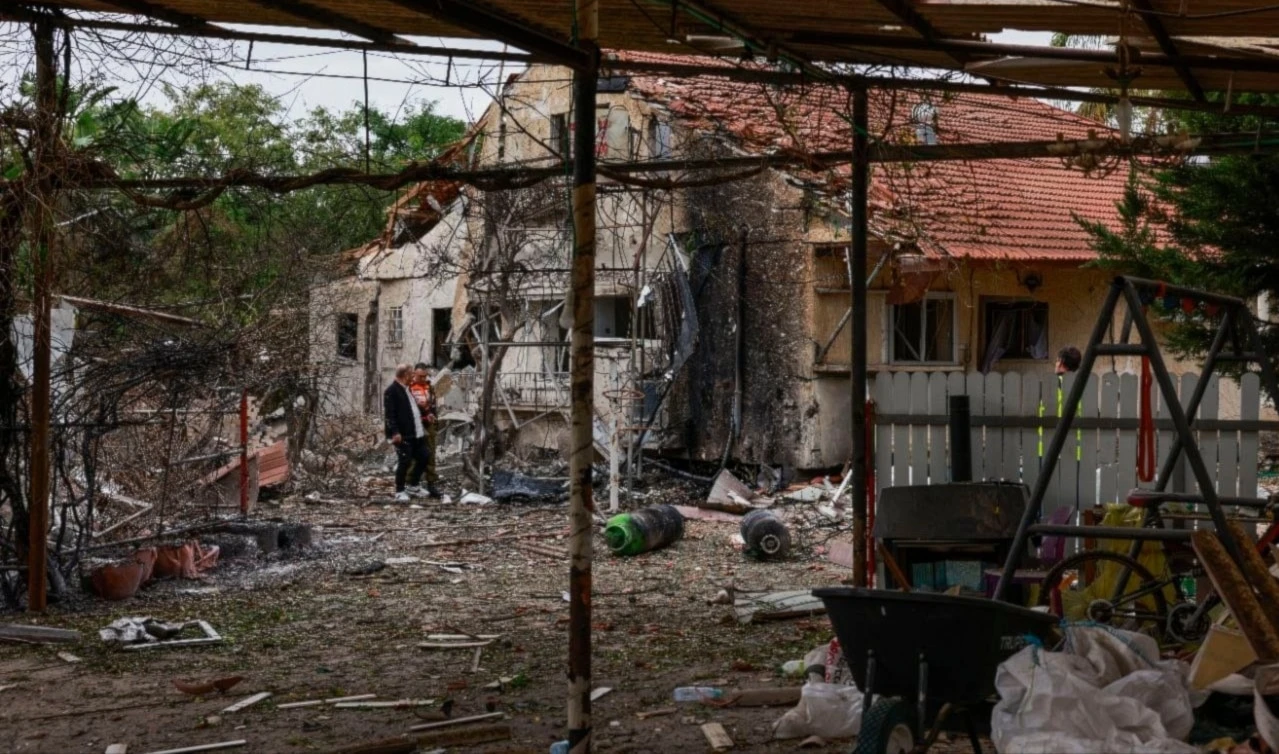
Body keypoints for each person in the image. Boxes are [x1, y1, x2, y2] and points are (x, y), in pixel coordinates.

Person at [384, 363, 429, 502]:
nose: (413, 377)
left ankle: (413, 486)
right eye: (411, 374)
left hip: (416, 433)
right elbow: (390, 415)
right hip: (403, 434)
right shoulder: (391, 391)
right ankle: (399, 490)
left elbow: (411, 408)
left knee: (424, 456)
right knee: (405, 461)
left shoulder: (406, 389)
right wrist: (395, 432)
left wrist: (425, 413)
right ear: (405, 375)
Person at [409, 362, 441, 498]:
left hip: (429, 424)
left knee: (431, 454)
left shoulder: (429, 388)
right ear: (414, 374)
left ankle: (431, 483)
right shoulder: (409, 388)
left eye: (425, 376)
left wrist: (433, 417)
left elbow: (433, 405)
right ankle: (410, 484)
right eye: (420, 376)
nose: (423, 379)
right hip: (414, 425)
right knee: (413, 455)